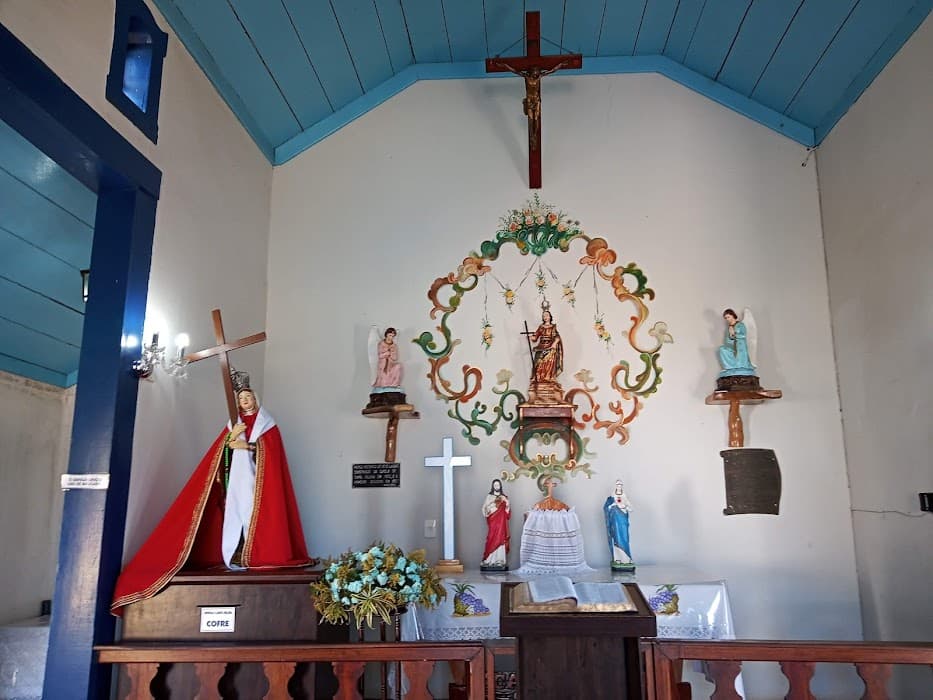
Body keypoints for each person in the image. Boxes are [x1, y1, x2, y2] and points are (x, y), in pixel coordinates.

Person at [111, 386, 311, 615]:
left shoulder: (267, 423)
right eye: (241, 398)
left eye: (248, 397)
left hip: (259, 481)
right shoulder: (233, 425)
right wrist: (231, 440)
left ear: (255, 399)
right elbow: (221, 452)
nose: (245, 401)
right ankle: (237, 551)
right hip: (235, 479)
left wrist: (247, 445)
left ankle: (256, 553)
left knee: (256, 515)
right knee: (234, 514)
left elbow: (273, 454)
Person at [603, 480, 634, 571]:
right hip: (615, 519)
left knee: (624, 537)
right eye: (617, 484)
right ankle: (618, 559)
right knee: (617, 537)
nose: (619, 486)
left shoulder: (624, 495)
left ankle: (627, 559)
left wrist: (628, 507)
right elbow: (608, 505)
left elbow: (629, 505)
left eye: (620, 484)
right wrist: (611, 507)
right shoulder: (612, 496)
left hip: (623, 517)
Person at [481, 479, 511, 570]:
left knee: (501, 538)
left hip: (501, 522)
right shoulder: (489, 496)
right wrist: (491, 506)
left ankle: (500, 560)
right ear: (493, 486)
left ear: (500, 486)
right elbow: (484, 509)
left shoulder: (504, 497)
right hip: (493, 522)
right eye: (495, 485)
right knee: (491, 537)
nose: (496, 487)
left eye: (498, 485)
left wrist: (506, 502)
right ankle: (489, 560)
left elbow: (508, 510)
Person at [717, 308, 756, 377]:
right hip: (732, 346)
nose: (727, 319)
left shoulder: (740, 325)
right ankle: (731, 367)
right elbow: (728, 339)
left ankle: (740, 366)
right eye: (726, 318)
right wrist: (731, 335)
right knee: (722, 349)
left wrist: (734, 333)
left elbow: (743, 335)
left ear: (732, 315)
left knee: (739, 348)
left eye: (728, 317)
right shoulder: (729, 328)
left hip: (740, 345)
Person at [530, 308, 563, 384]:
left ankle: (549, 377)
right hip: (541, 346)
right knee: (538, 362)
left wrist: (554, 344)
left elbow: (557, 337)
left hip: (550, 346)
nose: (545, 317)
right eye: (543, 316)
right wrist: (530, 337)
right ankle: (537, 377)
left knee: (549, 363)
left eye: (547, 315)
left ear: (550, 317)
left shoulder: (553, 327)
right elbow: (535, 337)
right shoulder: (541, 327)